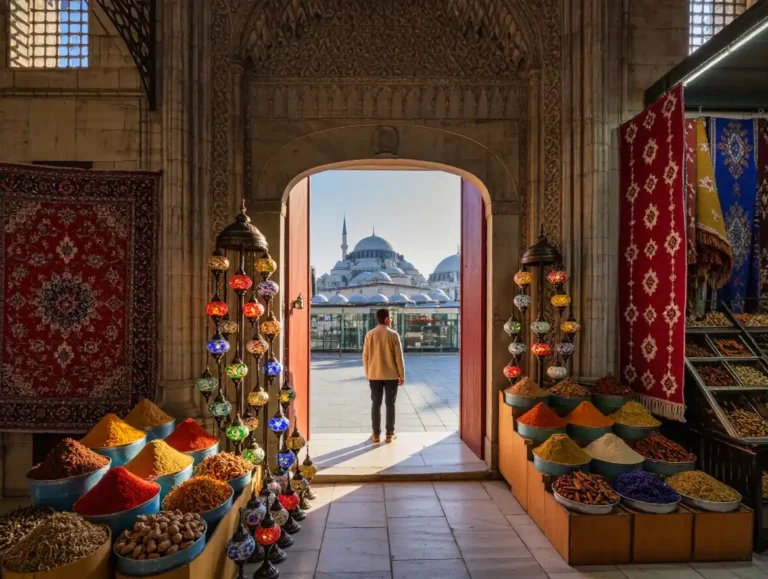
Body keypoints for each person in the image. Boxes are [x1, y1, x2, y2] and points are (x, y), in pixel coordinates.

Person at [362, 308, 405, 443]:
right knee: (390, 404)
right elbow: (399, 357)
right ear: (386, 319)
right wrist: (401, 375)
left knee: (376, 403)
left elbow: (365, 357)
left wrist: (368, 373)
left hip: (374, 375)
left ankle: (376, 434)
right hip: (391, 375)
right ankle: (389, 434)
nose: (390, 319)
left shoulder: (370, 334)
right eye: (390, 317)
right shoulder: (394, 335)